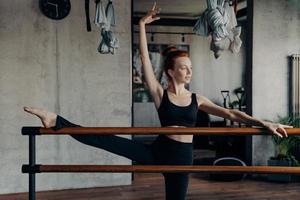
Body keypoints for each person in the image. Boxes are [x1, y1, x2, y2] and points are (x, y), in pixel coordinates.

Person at [24, 3, 292, 200]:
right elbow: (143, 60)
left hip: (182, 158)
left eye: (190, 67)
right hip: (158, 151)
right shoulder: (160, 93)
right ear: (170, 71)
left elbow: (232, 114)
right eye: (184, 67)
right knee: (104, 138)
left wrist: (262, 122)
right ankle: (55, 120)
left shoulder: (197, 99)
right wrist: (141, 25)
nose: (189, 71)